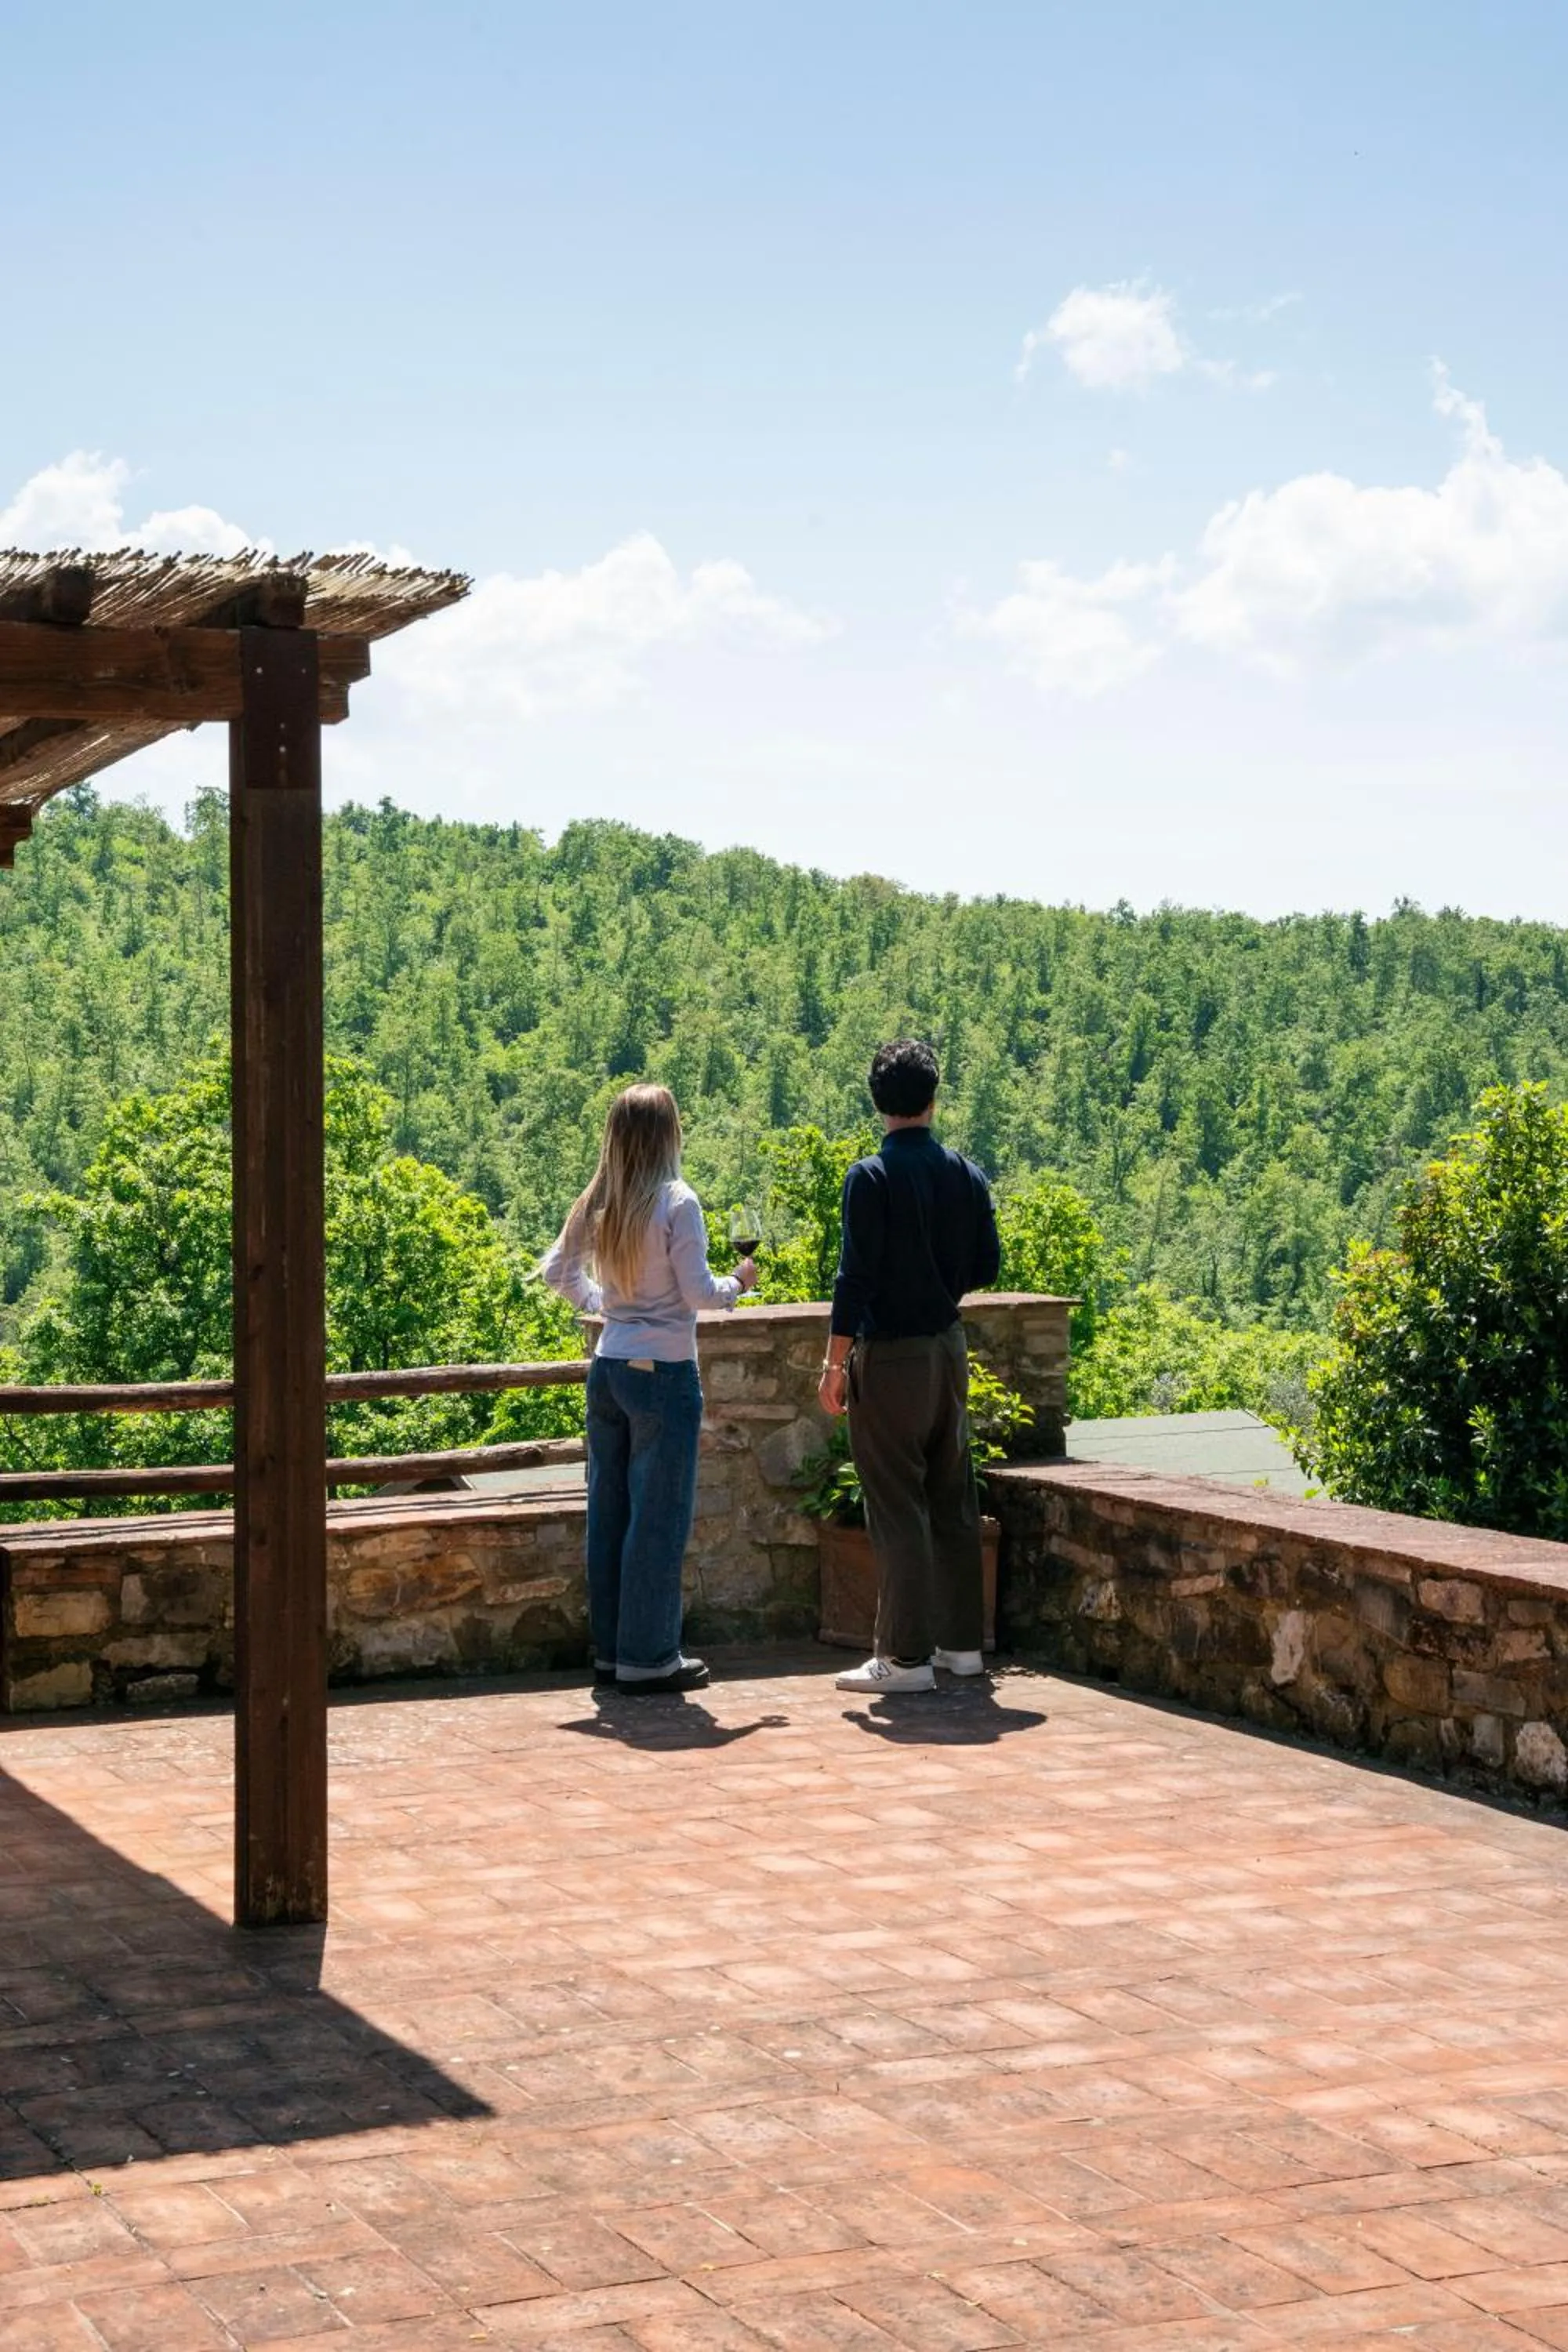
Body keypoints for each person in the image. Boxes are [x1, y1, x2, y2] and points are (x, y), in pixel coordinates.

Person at [541, 1084, 757, 1693]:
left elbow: (557, 1271)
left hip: (609, 1368)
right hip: (664, 1372)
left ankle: (612, 1651)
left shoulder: (600, 1200)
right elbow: (699, 1294)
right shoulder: (677, 1202)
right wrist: (739, 1284)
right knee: (658, 1518)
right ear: (670, 1135)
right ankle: (650, 1656)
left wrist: (604, 1304)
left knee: (610, 1515)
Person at [819, 1040, 1001, 1694]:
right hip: (948, 1349)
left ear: (877, 1100)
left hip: (891, 1354)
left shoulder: (870, 1177)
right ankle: (963, 1647)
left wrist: (833, 1364)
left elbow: (855, 1279)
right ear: (933, 1097)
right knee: (953, 1496)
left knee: (896, 1503)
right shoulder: (965, 1173)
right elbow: (987, 1265)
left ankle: (904, 1659)